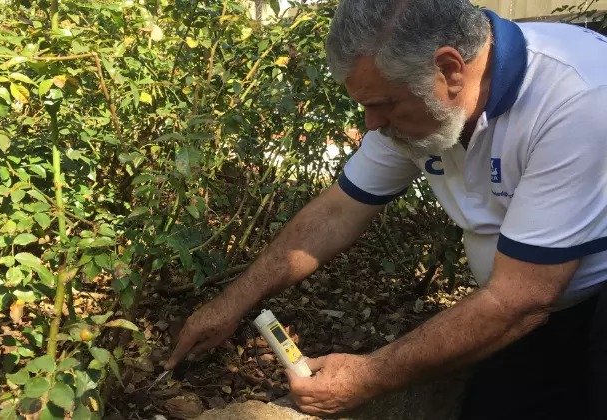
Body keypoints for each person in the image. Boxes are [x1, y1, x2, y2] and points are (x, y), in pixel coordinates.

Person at [165, 1, 607, 418]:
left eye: (381, 105)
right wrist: (231, 303)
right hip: (527, 306)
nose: (370, 125)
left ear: (450, 69)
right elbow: (337, 212)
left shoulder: (578, 99)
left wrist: (368, 376)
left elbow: (521, 298)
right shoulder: (422, 105)